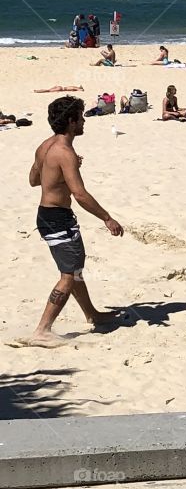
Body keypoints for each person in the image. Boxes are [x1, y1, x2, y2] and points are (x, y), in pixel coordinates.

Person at [11, 95, 123, 348]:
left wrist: (58, 172)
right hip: (57, 218)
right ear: (71, 122)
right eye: (81, 117)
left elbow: (34, 180)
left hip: (47, 216)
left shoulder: (45, 146)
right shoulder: (65, 152)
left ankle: (92, 314)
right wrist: (107, 218)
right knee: (68, 275)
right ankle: (43, 330)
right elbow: (80, 194)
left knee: (74, 270)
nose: (84, 121)